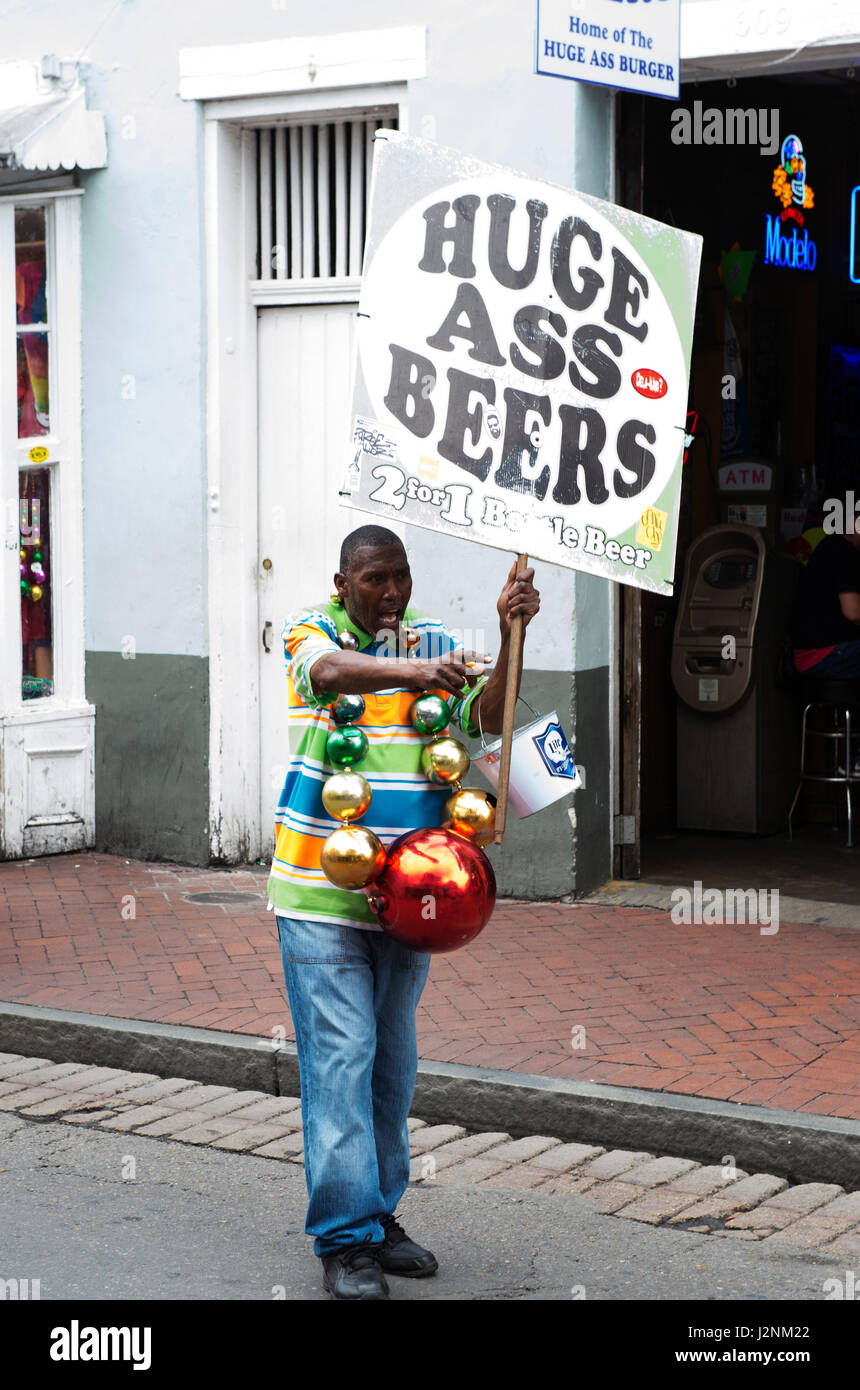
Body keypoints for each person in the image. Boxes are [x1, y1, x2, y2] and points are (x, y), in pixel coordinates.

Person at [267, 524, 540, 1299]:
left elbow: (487, 717)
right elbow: (326, 672)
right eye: (374, 579)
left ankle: (378, 1216)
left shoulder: (436, 640)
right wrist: (417, 671)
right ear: (342, 580)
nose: (390, 592)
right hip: (321, 895)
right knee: (341, 1059)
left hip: (416, 898)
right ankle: (344, 1239)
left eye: (401, 577)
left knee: (392, 1066)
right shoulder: (310, 631)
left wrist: (505, 629)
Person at [792, 512, 860, 679]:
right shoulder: (844, 551)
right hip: (823, 655)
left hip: (816, 653)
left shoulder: (831, 545)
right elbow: (853, 613)